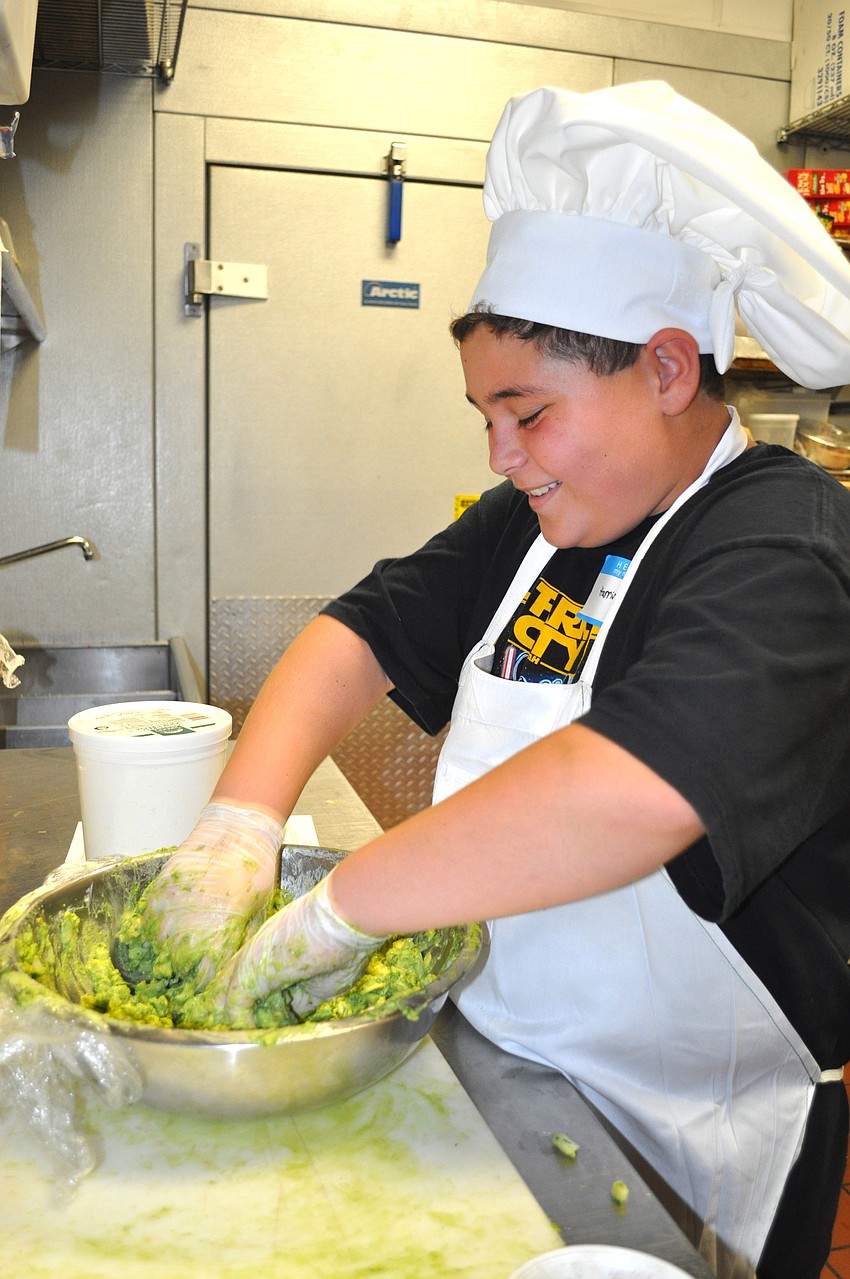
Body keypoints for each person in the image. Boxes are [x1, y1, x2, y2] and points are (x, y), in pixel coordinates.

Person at [141, 83, 850, 1279]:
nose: (498, 455)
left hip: (696, 1127)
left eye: (525, 414)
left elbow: (627, 793)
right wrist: (238, 822)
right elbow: (355, 631)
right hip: (507, 1053)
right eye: (483, 417)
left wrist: (336, 908)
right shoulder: (537, 528)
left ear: (668, 368)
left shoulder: (787, 544)